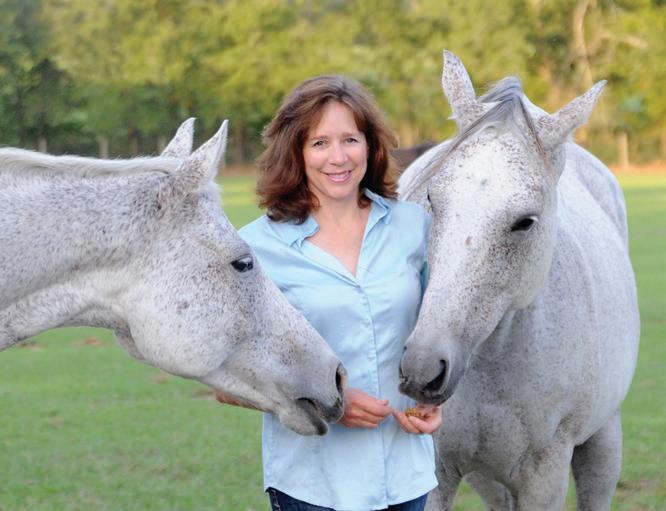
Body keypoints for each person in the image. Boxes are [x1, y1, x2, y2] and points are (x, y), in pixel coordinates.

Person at [216, 75, 441, 511]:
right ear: (295, 152)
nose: (338, 158)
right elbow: (227, 380)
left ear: (370, 146)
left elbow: (436, 334)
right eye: (319, 143)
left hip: (406, 478)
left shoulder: (415, 226)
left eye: (350, 140)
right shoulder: (254, 249)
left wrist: (434, 399)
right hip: (313, 486)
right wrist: (330, 403)